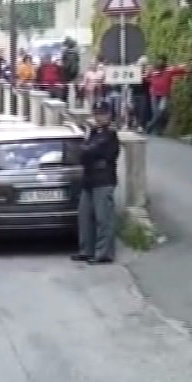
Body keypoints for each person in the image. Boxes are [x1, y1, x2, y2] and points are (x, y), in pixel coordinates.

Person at [71, 100, 120, 264]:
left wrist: (87, 150)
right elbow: (82, 153)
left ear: (109, 115)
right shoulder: (93, 132)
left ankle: (104, 253)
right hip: (89, 179)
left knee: (103, 218)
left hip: (103, 180)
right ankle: (86, 250)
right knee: (84, 217)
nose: (99, 117)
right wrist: (86, 149)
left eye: (102, 114)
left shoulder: (110, 133)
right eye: (97, 114)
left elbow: (92, 151)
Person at [145, 57, 188, 135]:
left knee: (161, 112)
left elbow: (181, 71)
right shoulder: (153, 72)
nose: (160, 64)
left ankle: (151, 126)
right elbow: (146, 78)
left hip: (164, 95)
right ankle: (158, 130)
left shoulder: (168, 71)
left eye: (161, 62)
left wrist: (182, 67)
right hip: (154, 94)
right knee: (156, 113)